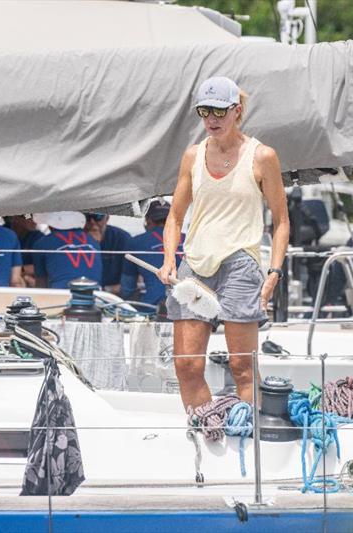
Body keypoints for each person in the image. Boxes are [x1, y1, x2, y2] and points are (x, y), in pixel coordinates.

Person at [157, 77, 289, 411]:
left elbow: (282, 221)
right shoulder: (192, 156)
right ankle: (204, 427)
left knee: (242, 367)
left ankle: (250, 434)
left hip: (240, 264)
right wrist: (169, 259)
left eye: (219, 111)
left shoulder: (262, 156)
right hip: (195, 264)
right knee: (186, 366)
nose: (211, 119)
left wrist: (274, 271)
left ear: (236, 111)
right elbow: (174, 216)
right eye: (204, 111)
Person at [121, 200, 184, 313]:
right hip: (187, 306)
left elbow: (127, 288)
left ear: (148, 221)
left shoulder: (135, 242)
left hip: (152, 306)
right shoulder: (188, 240)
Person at [31, 211, 102, 289]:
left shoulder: (42, 243)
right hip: (95, 293)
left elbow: (41, 283)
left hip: (61, 294)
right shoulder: (93, 241)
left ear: (51, 225)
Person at [85, 213, 131, 294]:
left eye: (98, 216)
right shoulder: (75, 239)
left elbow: (131, 282)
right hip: (82, 290)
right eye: (88, 217)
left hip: (112, 293)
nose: (92, 222)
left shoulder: (122, 238)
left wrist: (104, 290)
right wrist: (91, 243)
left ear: (107, 218)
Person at [5, 215, 44, 287]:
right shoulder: (3, 233)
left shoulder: (38, 236)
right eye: (28, 216)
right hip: (6, 280)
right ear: (14, 218)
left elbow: (43, 266)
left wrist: (20, 271)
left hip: (27, 278)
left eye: (34, 216)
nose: (33, 220)